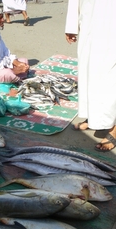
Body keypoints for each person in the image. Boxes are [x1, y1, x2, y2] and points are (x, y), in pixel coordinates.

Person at [65, 0, 116, 152]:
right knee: (89, 69)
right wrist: (71, 25)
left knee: (110, 74)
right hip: (89, 17)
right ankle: (93, 117)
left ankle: (114, 129)